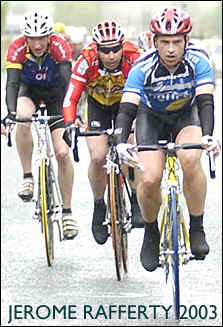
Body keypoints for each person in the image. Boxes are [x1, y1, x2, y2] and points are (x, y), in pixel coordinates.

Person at [115, 8, 220, 272]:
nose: (171, 49)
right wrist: (120, 141)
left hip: (187, 116)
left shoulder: (199, 61)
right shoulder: (142, 67)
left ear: (187, 40)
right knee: (149, 177)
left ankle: (197, 227)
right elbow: (128, 108)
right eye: (165, 42)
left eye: (176, 42)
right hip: (152, 118)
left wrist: (208, 136)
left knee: (191, 156)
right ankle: (151, 232)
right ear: (154, 41)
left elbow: (206, 102)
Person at [62, 20, 144, 245]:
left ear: (122, 45)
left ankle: (136, 198)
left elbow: (146, 94)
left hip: (125, 106)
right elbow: (71, 97)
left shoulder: (134, 57)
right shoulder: (85, 60)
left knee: (127, 147)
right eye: (105, 50)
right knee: (98, 156)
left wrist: (142, 121)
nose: (111, 55)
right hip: (97, 106)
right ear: (96, 49)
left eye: (116, 48)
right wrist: (70, 123)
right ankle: (99, 206)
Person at [3, 10, 78, 240]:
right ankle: (27, 176)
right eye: (32, 38)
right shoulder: (16, 48)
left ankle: (67, 212)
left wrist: (69, 117)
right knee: (22, 119)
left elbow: (68, 84)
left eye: (41, 38)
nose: (37, 44)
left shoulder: (60, 46)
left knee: (62, 153)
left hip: (57, 96)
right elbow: (12, 85)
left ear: (49, 36)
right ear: (25, 38)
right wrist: (10, 113)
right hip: (30, 93)